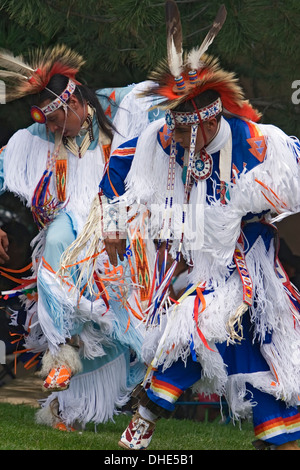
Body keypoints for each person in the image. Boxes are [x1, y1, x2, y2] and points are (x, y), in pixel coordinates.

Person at [77, 1, 300, 450]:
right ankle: (145, 424)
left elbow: (291, 184)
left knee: (249, 343)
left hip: (251, 265)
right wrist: (115, 224)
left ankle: (273, 438)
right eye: (172, 129)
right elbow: (118, 175)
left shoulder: (259, 144)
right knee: (200, 330)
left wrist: (253, 203)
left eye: (182, 131)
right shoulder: (159, 140)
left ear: (210, 119)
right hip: (198, 262)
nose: (173, 139)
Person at [0, 45, 160, 430]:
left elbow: (163, 93)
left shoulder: (120, 106)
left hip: (119, 223)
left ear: (74, 101)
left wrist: (182, 75)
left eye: (57, 119)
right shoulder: (36, 136)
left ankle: (79, 403)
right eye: (48, 122)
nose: (52, 128)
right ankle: (63, 357)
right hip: (72, 221)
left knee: (115, 317)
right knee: (54, 242)